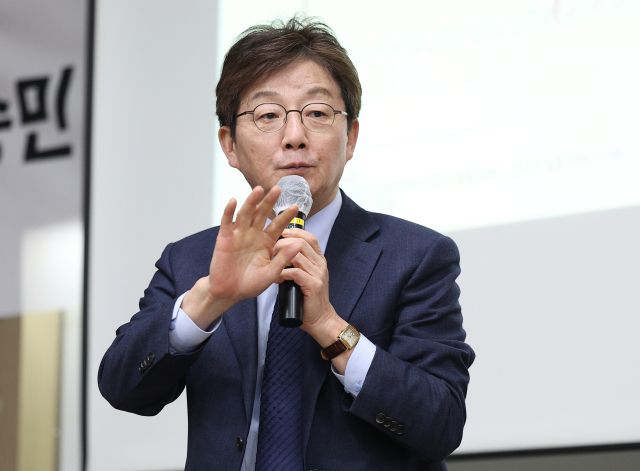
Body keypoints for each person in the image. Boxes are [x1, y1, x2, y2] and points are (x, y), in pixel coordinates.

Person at [98, 17, 474, 471]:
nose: (295, 136)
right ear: (229, 145)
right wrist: (210, 299)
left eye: (317, 113)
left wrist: (330, 327)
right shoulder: (191, 260)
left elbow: (441, 424)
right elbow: (122, 388)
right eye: (268, 115)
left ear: (351, 137)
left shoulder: (415, 256)